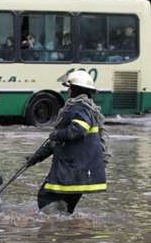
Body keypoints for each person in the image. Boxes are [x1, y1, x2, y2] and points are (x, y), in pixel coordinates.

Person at [26, 70, 108, 214]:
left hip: (71, 169)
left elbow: (78, 129)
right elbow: (54, 143)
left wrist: (57, 133)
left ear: (75, 89)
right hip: (80, 169)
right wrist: (35, 158)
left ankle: (52, 230)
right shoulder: (88, 108)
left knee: (45, 196)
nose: (67, 91)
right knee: (66, 207)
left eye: (69, 88)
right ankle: (66, 232)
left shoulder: (79, 108)